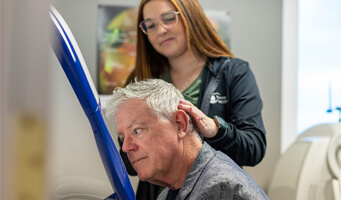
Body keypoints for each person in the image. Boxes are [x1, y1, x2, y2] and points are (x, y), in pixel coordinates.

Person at [120, 0, 267, 199]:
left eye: (168, 18)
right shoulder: (140, 81)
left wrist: (216, 130)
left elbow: (254, 148)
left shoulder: (234, 73)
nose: (161, 30)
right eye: (150, 25)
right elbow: (128, 159)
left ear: (190, 16)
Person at [105, 79, 269, 200]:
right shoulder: (170, 193)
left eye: (137, 130)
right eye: (122, 137)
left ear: (180, 124)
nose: (126, 147)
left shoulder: (221, 189)